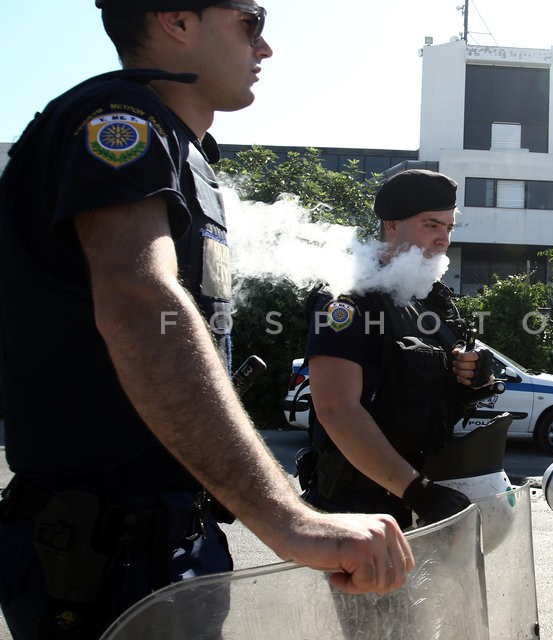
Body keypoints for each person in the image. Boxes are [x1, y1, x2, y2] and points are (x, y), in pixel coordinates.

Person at [0, 3, 413, 639]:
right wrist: (288, 518)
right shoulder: (122, 121)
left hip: (160, 543)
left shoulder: (182, 149)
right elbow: (142, 304)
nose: (265, 48)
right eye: (251, 22)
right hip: (106, 552)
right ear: (177, 20)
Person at [298, 169, 493, 530]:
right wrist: (419, 492)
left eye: (449, 228)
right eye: (431, 226)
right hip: (361, 507)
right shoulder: (346, 298)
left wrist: (475, 373)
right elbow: (336, 409)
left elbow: (431, 390)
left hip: (425, 497)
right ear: (391, 225)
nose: (443, 240)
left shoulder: (430, 298)